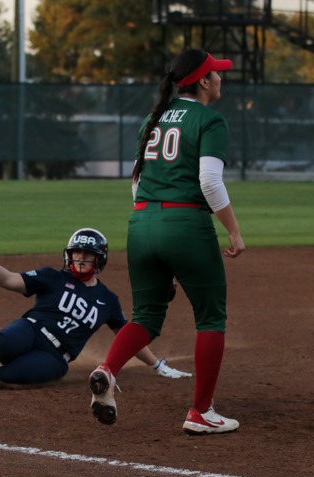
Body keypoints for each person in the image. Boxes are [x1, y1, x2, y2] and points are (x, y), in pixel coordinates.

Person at [88, 49, 246, 434]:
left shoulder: (152, 118)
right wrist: (234, 230)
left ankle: (107, 370)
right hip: (185, 224)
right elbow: (209, 181)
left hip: (141, 222)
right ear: (204, 81)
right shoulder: (210, 120)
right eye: (216, 74)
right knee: (210, 317)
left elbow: (137, 182)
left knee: (146, 316)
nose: (221, 79)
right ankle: (201, 412)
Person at [0, 228, 192, 386]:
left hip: (56, 357)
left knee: (17, 375)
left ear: (99, 259)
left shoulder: (108, 300)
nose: (79, 258)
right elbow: (9, 280)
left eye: (86, 254)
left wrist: (158, 366)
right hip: (31, 330)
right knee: (1, 342)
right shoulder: (53, 276)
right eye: (76, 252)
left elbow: (128, 337)